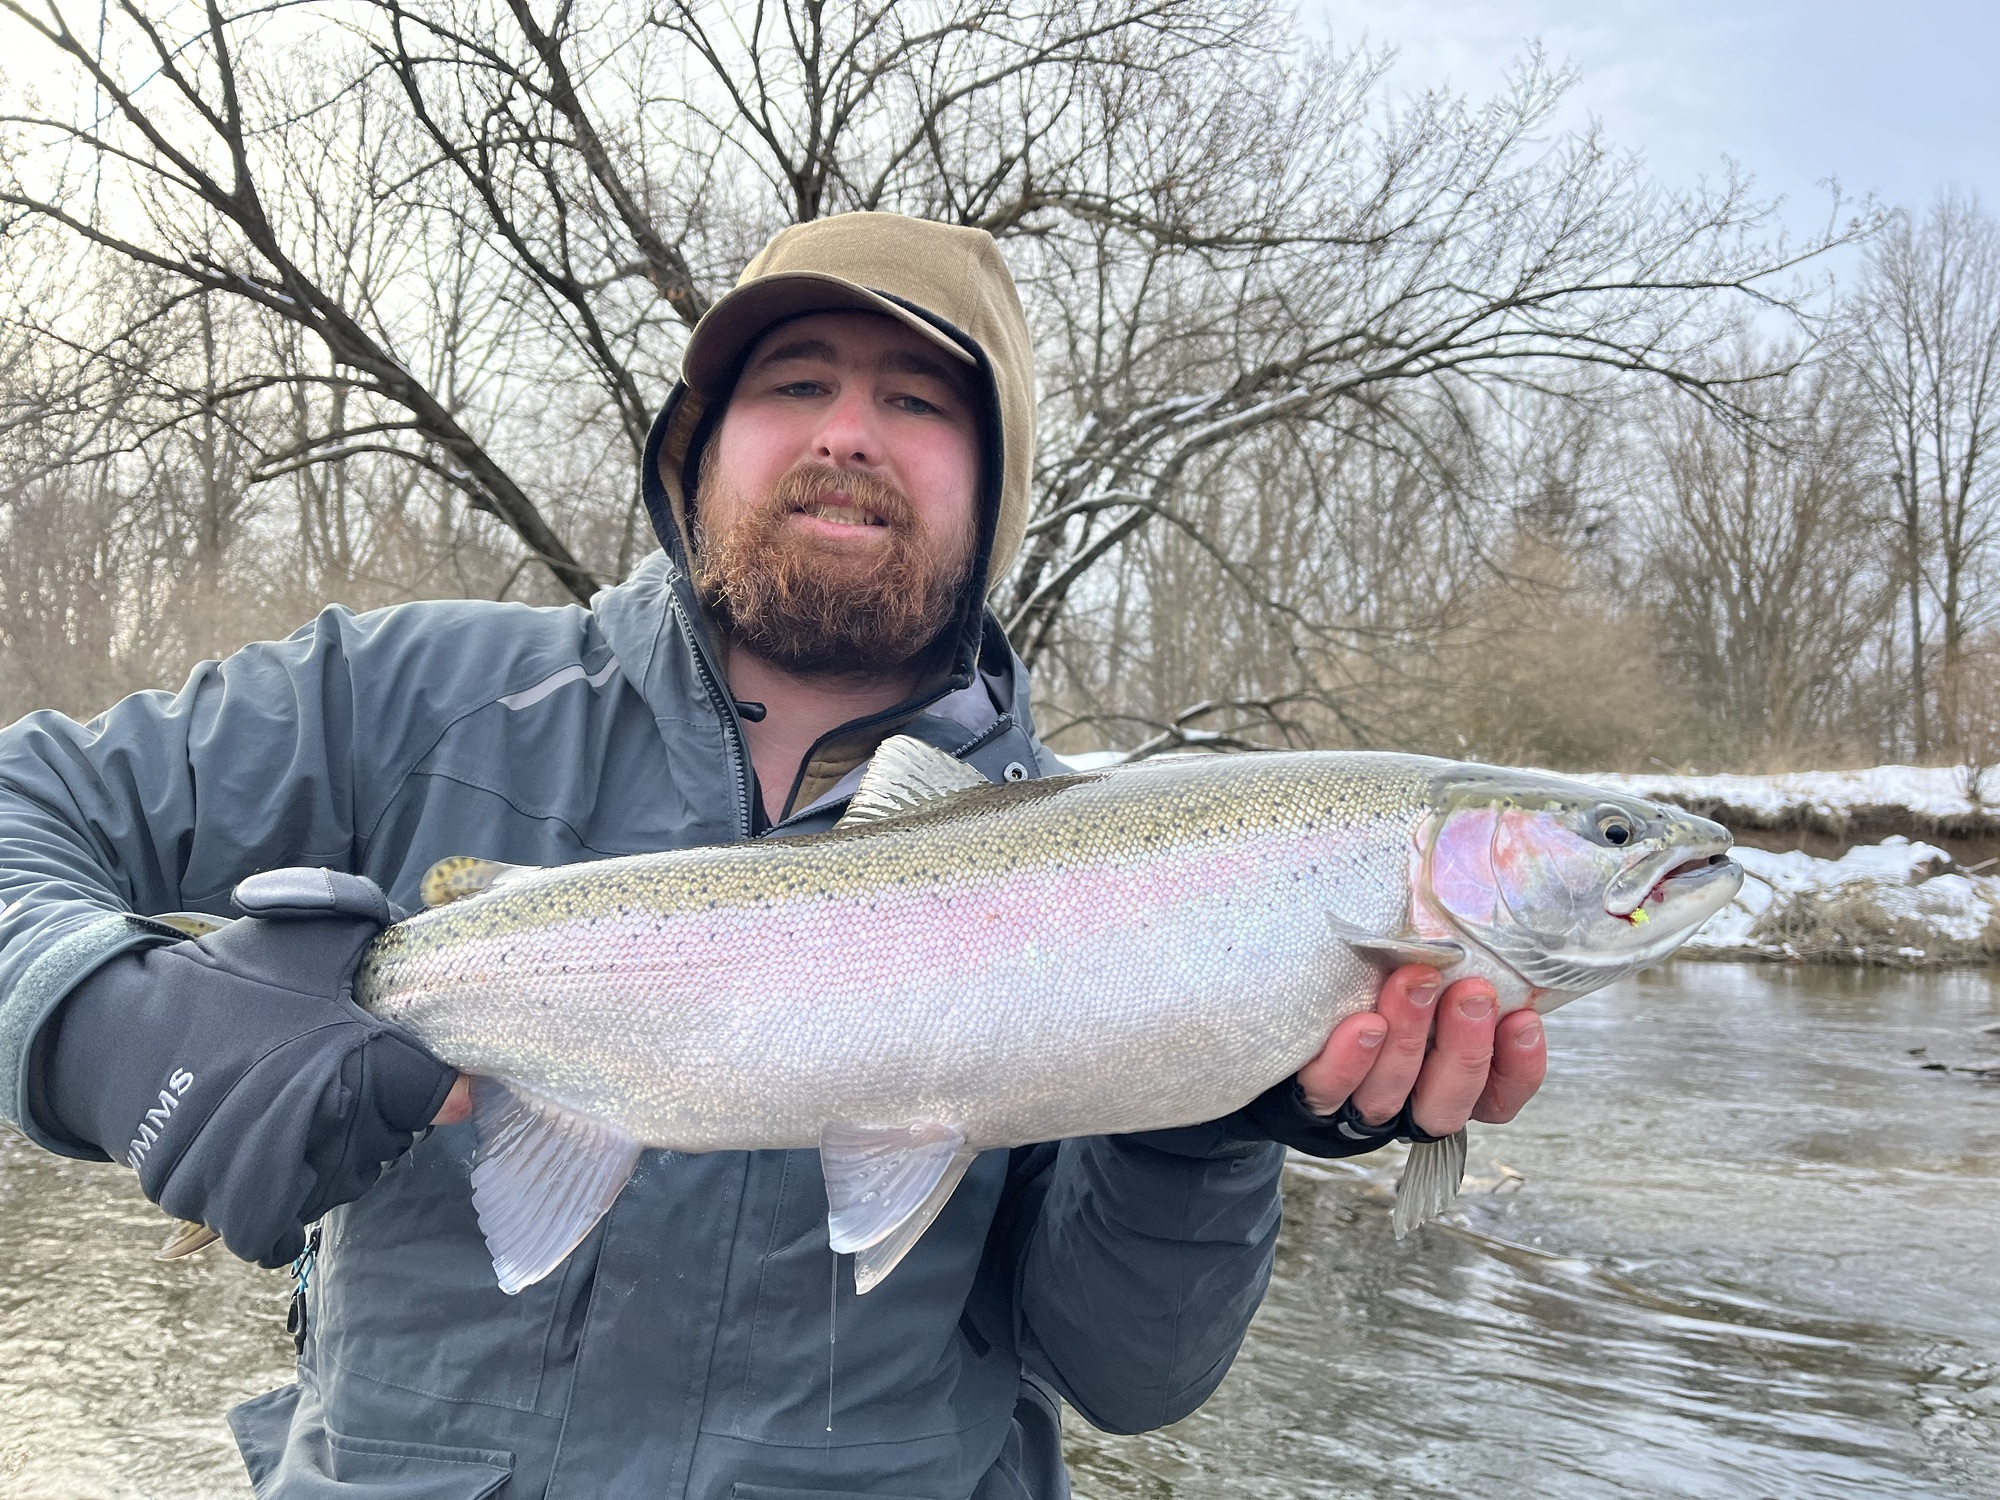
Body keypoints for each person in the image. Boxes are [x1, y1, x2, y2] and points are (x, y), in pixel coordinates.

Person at [0, 213, 1545, 1498]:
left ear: (993, 490)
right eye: (795, 382)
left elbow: (1128, 1381)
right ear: (701, 448)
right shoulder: (408, 695)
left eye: (921, 402)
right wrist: (112, 1024)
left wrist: (1218, 1111)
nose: (848, 433)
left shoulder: (1120, 866)